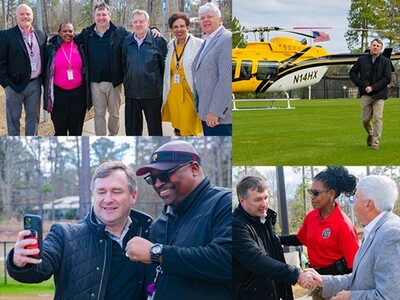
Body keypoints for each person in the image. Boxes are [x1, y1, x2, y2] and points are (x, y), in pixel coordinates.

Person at [7, 161, 153, 300]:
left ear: (133, 196)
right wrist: (20, 261)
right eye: (101, 192)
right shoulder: (65, 235)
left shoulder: (150, 233)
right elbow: (39, 268)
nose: (108, 199)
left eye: (116, 191)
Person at [124, 140, 232, 299]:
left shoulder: (224, 202)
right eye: (152, 179)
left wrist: (158, 253)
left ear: (194, 169)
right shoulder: (160, 224)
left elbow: (228, 261)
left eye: (165, 174)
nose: (158, 184)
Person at [232, 175, 322, 300]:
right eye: (258, 199)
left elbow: (272, 243)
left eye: (266, 197)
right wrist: (296, 274)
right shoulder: (235, 226)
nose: (264, 204)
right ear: (242, 201)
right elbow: (256, 259)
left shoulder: (264, 219)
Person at [314, 175, 400, 300]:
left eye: (357, 196)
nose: (353, 200)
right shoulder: (377, 230)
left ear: (368, 204)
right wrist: (323, 281)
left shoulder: (391, 234)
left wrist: (350, 297)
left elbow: (389, 297)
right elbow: (360, 278)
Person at [280, 167, 359, 300]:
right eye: (311, 192)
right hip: (317, 284)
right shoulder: (312, 217)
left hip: (337, 289)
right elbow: (300, 239)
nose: (311, 197)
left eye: (316, 193)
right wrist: (275, 239)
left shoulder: (343, 225)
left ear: (331, 194)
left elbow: (355, 267)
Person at [75, 2, 129, 136]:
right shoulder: (87, 33)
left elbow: (138, 35)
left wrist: (153, 28)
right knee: (99, 114)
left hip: (114, 82)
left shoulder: (119, 32)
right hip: (95, 82)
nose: (101, 17)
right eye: (98, 15)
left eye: (104, 14)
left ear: (109, 16)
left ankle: (113, 136)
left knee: (114, 113)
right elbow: (69, 39)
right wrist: (52, 41)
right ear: (94, 17)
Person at [0, 4, 47, 136]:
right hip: (14, 85)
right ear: (16, 16)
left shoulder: (41, 35)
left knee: (33, 118)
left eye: (28, 14)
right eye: (22, 14)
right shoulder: (6, 35)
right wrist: (6, 84)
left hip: (35, 84)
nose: (25, 16)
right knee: (13, 119)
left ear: (32, 16)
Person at [122, 10, 167, 136]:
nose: (138, 24)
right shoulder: (126, 42)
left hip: (152, 95)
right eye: (135, 22)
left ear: (148, 23)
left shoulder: (158, 41)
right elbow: (123, 65)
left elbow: (165, 68)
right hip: (131, 94)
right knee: (132, 132)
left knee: (155, 131)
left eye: (141, 21)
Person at [192, 3, 232, 136]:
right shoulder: (207, 40)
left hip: (219, 116)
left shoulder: (226, 39)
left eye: (209, 16)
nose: (205, 20)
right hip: (206, 111)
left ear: (220, 20)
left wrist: (215, 111)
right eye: (202, 18)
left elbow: (226, 80)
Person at [162, 12, 203, 136]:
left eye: (182, 26)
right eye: (175, 27)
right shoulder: (170, 45)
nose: (179, 29)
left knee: (189, 124)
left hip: (190, 91)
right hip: (173, 92)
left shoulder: (199, 44)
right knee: (178, 125)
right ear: (171, 29)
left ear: (187, 27)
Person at [44, 22, 89, 136]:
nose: (67, 34)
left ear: (74, 33)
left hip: (78, 94)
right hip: (59, 94)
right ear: (59, 33)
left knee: (76, 129)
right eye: (64, 31)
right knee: (60, 129)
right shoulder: (52, 47)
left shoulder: (80, 46)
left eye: (70, 31)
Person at [349, 38, 392, 150]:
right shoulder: (362, 60)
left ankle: (375, 143)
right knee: (365, 120)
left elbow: (387, 78)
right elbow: (352, 72)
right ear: (370, 46)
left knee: (378, 118)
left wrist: (373, 87)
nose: (375, 47)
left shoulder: (386, 61)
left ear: (381, 48)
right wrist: (360, 84)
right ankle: (370, 133)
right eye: (374, 45)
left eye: (378, 46)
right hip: (365, 94)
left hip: (379, 95)